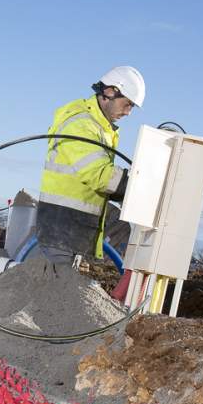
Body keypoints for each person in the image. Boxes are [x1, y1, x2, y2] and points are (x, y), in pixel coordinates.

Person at [36, 66, 145, 267]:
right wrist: (142, 186)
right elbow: (100, 175)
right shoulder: (81, 124)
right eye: (127, 104)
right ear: (110, 92)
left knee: (51, 285)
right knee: (47, 286)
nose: (129, 112)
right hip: (62, 226)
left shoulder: (100, 128)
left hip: (75, 229)